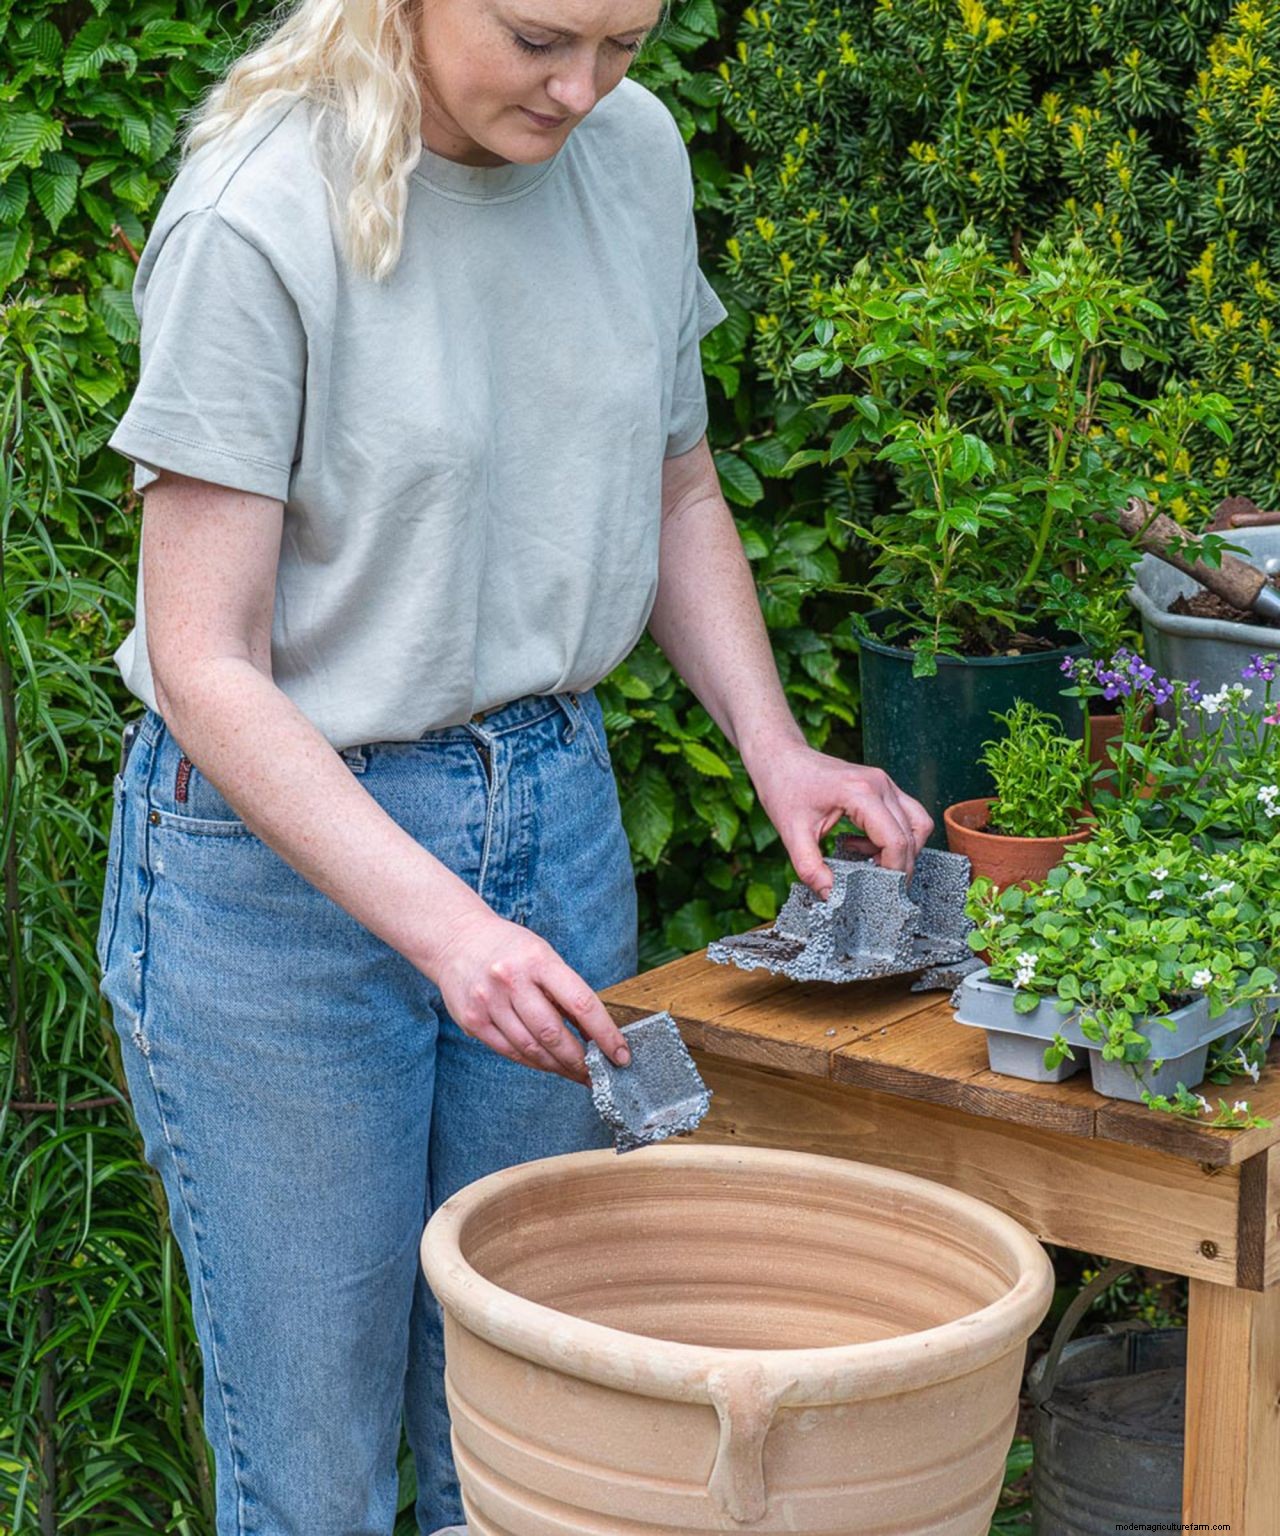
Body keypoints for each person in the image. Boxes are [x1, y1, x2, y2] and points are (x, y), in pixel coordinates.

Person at [97, 0, 934, 1530]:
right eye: (544, 36)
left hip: (550, 820)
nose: (582, 88)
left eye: (626, 43)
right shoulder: (257, 208)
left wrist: (774, 745)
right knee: (320, 1481)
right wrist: (447, 928)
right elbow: (207, 666)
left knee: (531, 1443)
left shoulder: (635, 155)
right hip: (280, 879)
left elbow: (677, 485)